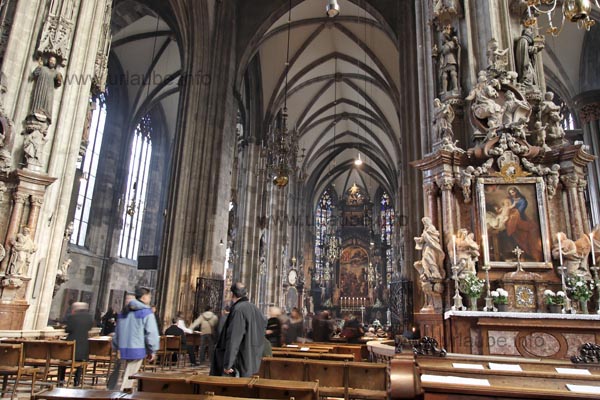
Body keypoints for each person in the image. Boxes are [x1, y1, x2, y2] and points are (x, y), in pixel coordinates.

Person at [211, 282, 265, 377]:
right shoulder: (256, 309)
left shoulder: (238, 310)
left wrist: (228, 364)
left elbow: (234, 338)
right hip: (253, 360)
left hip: (239, 362)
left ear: (232, 294)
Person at [111, 287, 159, 392]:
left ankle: (118, 393)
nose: (150, 299)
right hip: (137, 347)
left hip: (123, 348)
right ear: (144, 297)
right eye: (149, 296)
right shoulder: (146, 312)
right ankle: (122, 395)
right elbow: (151, 333)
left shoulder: (124, 312)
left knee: (124, 374)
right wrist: (152, 349)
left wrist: (115, 347)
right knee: (129, 377)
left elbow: (117, 331)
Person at [58, 302, 93, 386]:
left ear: (75, 309)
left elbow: (68, 329)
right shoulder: (89, 317)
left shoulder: (72, 317)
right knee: (80, 362)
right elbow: (90, 327)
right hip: (83, 342)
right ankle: (76, 380)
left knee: (63, 361)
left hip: (71, 342)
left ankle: (61, 379)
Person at [504, 187, 543, 261]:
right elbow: (506, 207)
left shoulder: (523, 201)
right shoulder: (510, 199)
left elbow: (519, 211)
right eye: (510, 193)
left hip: (520, 218)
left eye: (513, 192)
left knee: (524, 237)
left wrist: (512, 209)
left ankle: (524, 255)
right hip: (511, 218)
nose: (512, 194)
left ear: (517, 192)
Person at [29, 56, 63, 122]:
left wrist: (59, 79)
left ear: (55, 63)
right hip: (40, 89)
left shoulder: (56, 72)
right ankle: (35, 113)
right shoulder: (43, 68)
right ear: (48, 61)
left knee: (48, 102)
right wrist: (39, 66)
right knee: (38, 99)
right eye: (51, 60)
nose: (52, 62)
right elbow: (34, 74)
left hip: (49, 91)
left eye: (53, 61)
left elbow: (58, 83)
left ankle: (46, 115)